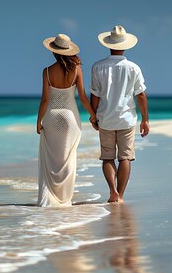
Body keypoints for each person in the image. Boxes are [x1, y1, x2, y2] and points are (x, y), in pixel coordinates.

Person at [89, 25, 149, 203]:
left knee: (107, 157)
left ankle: (112, 191)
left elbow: (95, 95)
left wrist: (93, 116)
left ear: (108, 44)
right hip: (127, 119)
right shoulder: (133, 68)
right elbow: (141, 95)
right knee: (125, 158)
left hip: (105, 118)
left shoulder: (97, 67)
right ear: (125, 45)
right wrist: (145, 119)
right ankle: (120, 196)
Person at [37, 34, 96, 207]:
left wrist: (38, 121)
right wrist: (93, 116)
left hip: (51, 117)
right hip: (71, 118)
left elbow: (45, 100)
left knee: (51, 160)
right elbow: (83, 98)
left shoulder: (47, 71)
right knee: (68, 158)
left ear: (54, 52)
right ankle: (64, 198)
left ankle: (51, 197)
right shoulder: (76, 69)